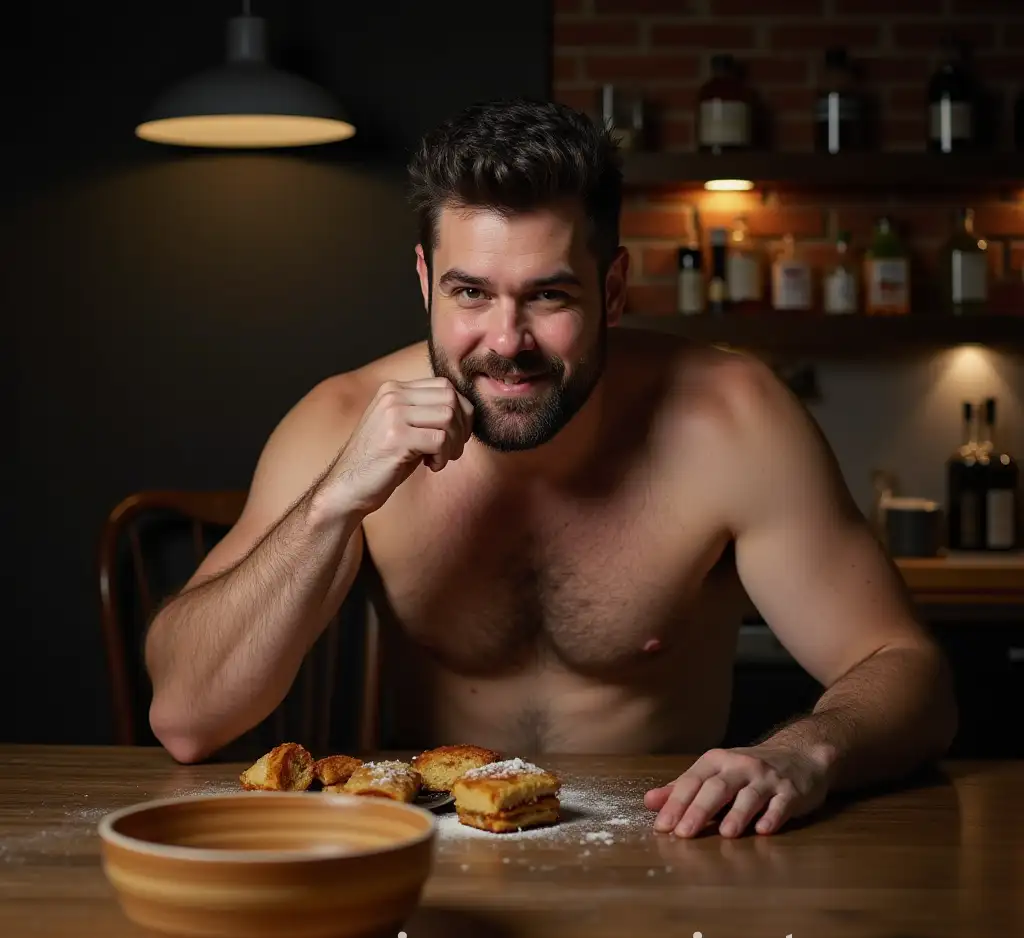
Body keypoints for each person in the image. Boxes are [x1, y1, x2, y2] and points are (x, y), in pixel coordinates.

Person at [144, 98, 956, 840]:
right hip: (423, 857)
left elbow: (908, 671)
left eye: (549, 297)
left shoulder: (733, 421)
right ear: (425, 281)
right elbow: (186, 717)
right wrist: (332, 505)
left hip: (663, 850)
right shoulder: (339, 421)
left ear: (612, 291)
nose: (506, 341)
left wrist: (807, 752)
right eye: (470, 292)